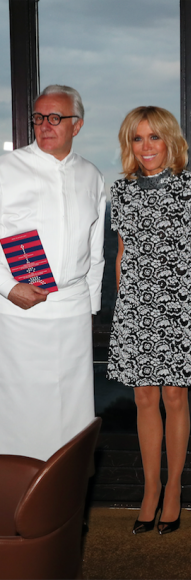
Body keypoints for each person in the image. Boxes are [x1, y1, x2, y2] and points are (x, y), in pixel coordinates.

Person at [107, 106, 191, 535]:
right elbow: (122, 254)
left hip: (178, 305)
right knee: (144, 399)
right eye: (137, 138)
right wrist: (123, 310)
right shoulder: (122, 190)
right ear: (129, 145)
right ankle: (150, 490)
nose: (146, 147)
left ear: (170, 141)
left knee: (174, 397)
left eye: (154, 137)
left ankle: (174, 489)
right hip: (135, 306)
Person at [0, 85, 105, 462]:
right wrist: (8, 287)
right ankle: (16, 507)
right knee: (21, 412)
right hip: (19, 313)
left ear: (76, 126)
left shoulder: (92, 175)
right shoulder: (5, 168)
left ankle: (63, 508)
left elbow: (95, 250)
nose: (45, 125)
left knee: (71, 415)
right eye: (39, 117)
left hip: (73, 311)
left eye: (55, 118)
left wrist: (91, 305)